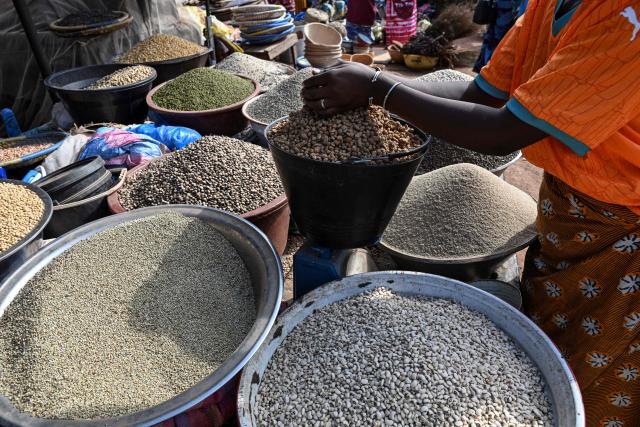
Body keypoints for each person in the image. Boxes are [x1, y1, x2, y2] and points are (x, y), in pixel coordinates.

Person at [301, 0, 640, 425]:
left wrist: (378, 89)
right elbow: (481, 93)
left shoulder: (627, 21)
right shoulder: (546, 6)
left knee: (599, 369)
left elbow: (505, 131)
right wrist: (376, 85)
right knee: (553, 340)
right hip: (569, 203)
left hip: (625, 226)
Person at [473, 0, 526, 72]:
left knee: (494, 43)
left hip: (500, 18)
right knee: (500, 44)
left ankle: (487, 70)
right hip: (505, 19)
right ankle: (490, 70)